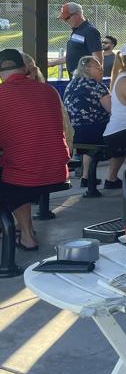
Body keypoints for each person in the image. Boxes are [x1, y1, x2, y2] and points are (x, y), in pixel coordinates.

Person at [0, 48, 70, 251]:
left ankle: (26, 236)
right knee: (22, 162)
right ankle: (25, 228)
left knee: (16, 171)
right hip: (58, 170)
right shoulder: (48, 91)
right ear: (25, 69)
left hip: (27, 175)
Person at [64, 56, 124, 189]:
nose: (101, 71)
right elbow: (112, 110)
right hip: (93, 132)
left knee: (89, 146)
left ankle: (86, 178)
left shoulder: (71, 85)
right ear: (87, 69)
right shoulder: (96, 86)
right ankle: (112, 179)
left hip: (74, 133)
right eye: (98, 68)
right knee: (122, 137)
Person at [48, 3, 102, 78]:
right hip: (74, 78)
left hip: (84, 79)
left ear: (77, 15)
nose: (65, 21)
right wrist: (52, 63)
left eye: (67, 18)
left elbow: (98, 59)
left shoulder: (90, 31)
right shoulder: (76, 30)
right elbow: (72, 56)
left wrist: (95, 79)